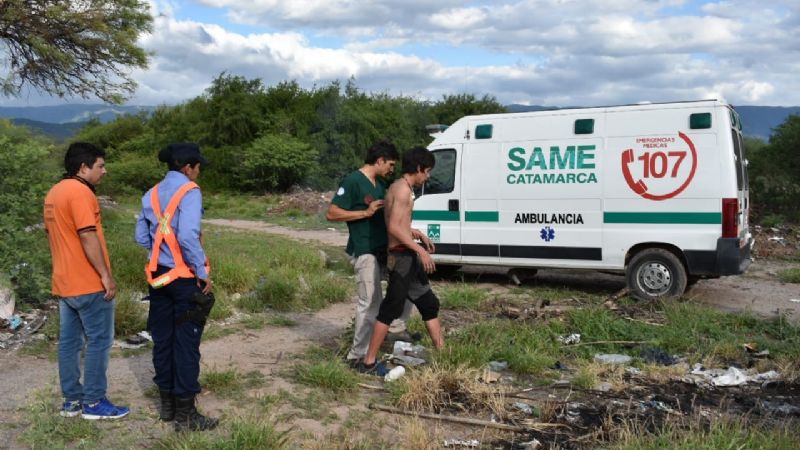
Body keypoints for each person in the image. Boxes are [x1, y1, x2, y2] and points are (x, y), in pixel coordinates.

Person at [135, 143, 218, 432]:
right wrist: (202, 271)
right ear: (187, 167)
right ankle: (186, 415)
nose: (199, 172)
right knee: (186, 343)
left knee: (164, 339)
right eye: (198, 166)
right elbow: (187, 235)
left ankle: (168, 407)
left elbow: (142, 237)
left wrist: (162, 254)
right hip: (184, 279)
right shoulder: (190, 192)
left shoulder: (151, 193)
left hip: (158, 277)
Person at [44, 142, 129, 420]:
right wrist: (106, 275)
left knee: (69, 343)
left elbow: (53, 236)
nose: (104, 171)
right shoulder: (81, 193)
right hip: (89, 282)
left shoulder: (54, 193)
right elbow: (86, 234)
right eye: (100, 166)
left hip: (64, 283)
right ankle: (93, 403)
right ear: (83, 167)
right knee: (99, 341)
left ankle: (72, 402)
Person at [326, 141, 413, 365]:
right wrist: (365, 212)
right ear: (379, 160)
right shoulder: (353, 181)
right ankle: (358, 355)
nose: (391, 169)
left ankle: (385, 335)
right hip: (365, 250)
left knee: (404, 289)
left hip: (382, 248)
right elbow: (333, 213)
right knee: (370, 302)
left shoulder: (380, 183)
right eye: (390, 164)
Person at [359, 146, 444, 373]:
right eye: (427, 172)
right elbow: (395, 227)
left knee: (429, 303)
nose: (427, 177)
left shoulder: (399, 187)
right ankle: (368, 361)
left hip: (407, 255)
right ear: (418, 168)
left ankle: (443, 354)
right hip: (401, 257)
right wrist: (421, 251)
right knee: (391, 309)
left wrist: (417, 233)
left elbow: (399, 222)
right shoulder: (403, 191)